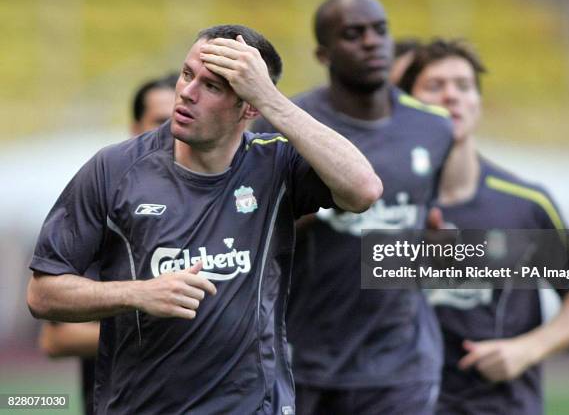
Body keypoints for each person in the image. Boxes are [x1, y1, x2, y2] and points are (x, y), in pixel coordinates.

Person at [27, 24, 382, 415]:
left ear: (248, 107)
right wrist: (139, 294)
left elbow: (363, 189)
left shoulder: (275, 163)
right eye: (186, 74)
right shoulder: (114, 170)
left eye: (212, 86)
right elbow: (43, 295)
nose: (187, 93)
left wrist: (269, 99)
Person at [253, 0, 453, 415]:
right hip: (302, 357)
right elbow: (254, 228)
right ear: (323, 54)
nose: (371, 42)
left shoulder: (434, 128)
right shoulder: (290, 126)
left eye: (380, 31)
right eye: (353, 33)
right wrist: (318, 210)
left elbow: (424, 224)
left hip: (401, 364)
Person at [401, 38, 569, 414]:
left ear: (478, 103)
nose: (451, 96)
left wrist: (527, 349)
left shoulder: (524, 205)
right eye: (435, 86)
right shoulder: (383, 202)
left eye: (463, 86)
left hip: (502, 405)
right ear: (407, 104)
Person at [37, 72, 178, 415]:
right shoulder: (105, 203)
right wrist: (149, 313)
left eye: (181, 119)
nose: (172, 132)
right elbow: (56, 338)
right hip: (118, 401)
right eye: (160, 121)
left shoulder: (217, 206)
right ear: (134, 127)